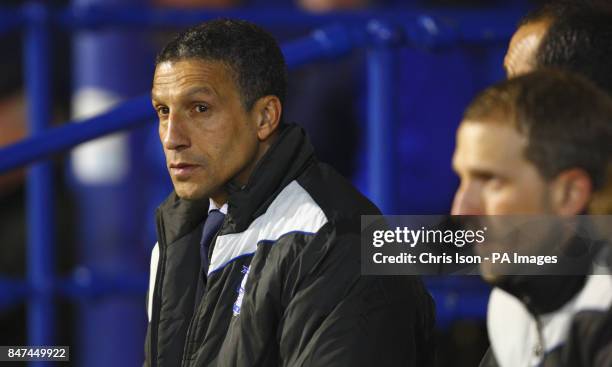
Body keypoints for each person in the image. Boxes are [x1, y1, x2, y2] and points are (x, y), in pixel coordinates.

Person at [144, 19, 434, 367]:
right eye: (163, 111)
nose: (172, 137)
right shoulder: (175, 239)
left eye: (200, 109)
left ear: (265, 117)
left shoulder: (338, 242)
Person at [451, 70, 612, 366]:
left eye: (491, 181)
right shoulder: (512, 300)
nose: (462, 210)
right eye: (462, 179)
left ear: (569, 194)